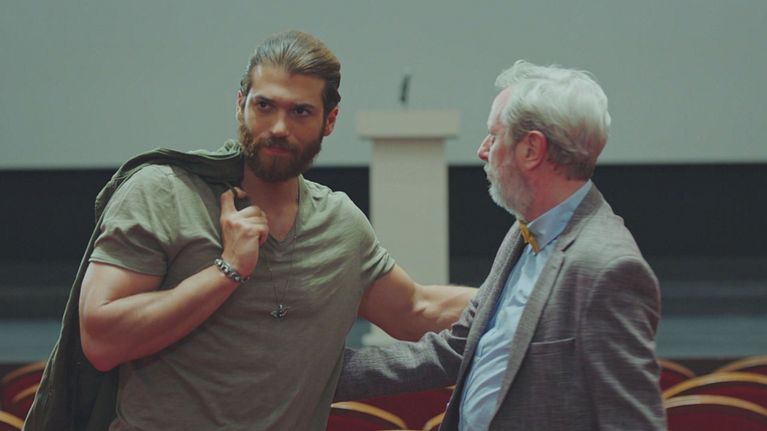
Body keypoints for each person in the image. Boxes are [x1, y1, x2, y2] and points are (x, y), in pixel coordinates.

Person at [24, 30, 474, 431]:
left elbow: (415, 308)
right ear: (240, 105)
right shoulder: (164, 192)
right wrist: (228, 269)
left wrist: (514, 291)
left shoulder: (339, 223)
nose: (278, 127)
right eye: (264, 106)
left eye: (300, 112)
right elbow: (101, 340)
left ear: (329, 120)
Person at [336, 60, 665, 430]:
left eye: (493, 136)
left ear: (531, 149)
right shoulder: (524, 231)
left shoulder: (606, 267)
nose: (482, 150)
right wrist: (316, 373)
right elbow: (458, 347)